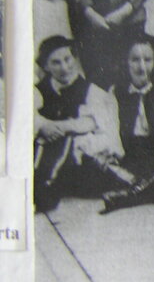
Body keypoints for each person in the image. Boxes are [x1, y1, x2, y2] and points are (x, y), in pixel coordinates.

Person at [33, 36, 124, 212]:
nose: (64, 67)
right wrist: (43, 126)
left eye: (67, 59)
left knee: (70, 144)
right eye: (56, 62)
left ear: (75, 58)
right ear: (46, 66)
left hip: (79, 154)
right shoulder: (38, 90)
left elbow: (93, 123)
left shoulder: (91, 91)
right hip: (44, 145)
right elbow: (27, 116)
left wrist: (59, 127)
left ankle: (47, 188)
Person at [100, 34, 154, 212]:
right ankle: (152, 191)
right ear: (125, 62)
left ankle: (130, 196)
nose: (142, 67)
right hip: (130, 154)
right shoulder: (116, 92)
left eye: (148, 60)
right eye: (135, 60)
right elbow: (110, 128)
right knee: (101, 167)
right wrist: (113, 153)